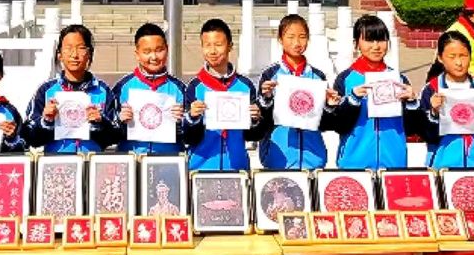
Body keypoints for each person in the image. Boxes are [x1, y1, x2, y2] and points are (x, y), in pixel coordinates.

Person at [327, 15, 422, 170]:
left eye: (381, 40)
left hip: (394, 163)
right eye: (369, 40)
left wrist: (412, 103)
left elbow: (412, 128)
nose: (376, 46)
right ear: (356, 44)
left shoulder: (399, 79)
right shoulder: (346, 79)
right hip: (354, 164)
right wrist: (353, 100)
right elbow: (339, 125)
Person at [257, 14, 340, 169]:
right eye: (290, 37)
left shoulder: (318, 76)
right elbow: (262, 120)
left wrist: (330, 106)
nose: (297, 42)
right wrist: (266, 98)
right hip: (279, 160)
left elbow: (324, 123)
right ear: (280, 39)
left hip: (313, 159)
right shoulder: (270, 75)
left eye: (302, 37)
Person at [180, 19, 265, 171]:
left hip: (237, 167)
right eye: (207, 45)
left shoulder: (245, 86)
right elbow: (188, 137)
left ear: (230, 46)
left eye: (218, 45)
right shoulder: (194, 87)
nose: (212, 51)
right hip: (201, 168)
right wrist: (192, 118)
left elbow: (253, 136)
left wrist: (255, 120)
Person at [24, 25, 116, 153]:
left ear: (89, 54)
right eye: (68, 48)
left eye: (81, 48)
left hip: (91, 161)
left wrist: (100, 123)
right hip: (56, 162)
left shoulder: (103, 91)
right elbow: (29, 137)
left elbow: (115, 137)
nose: (74, 55)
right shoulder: (45, 91)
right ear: (59, 54)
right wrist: (46, 121)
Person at [420, 32, 474, 168]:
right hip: (443, 165)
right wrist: (434, 113)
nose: (459, 63)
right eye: (452, 57)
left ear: (470, 57)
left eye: (463, 56)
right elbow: (427, 136)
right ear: (440, 58)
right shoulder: (431, 90)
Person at [109, 24, 186, 156]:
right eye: (147, 52)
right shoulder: (123, 87)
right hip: (133, 159)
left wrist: (183, 120)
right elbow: (109, 132)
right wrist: (119, 120)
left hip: (169, 160)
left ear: (167, 50)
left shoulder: (179, 88)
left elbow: (191, 133)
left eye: (159, 50)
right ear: (137, 54)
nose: (154, 57)